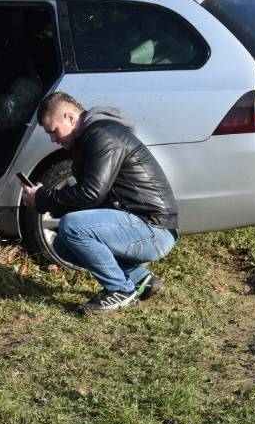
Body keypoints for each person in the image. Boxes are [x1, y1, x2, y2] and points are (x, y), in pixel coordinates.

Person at [22, 92, 178, 312]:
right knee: (63, 244)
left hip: (153, 231)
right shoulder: (90, 138)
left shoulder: (102, 135)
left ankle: (120, 290)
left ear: (69, 118)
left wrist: (42, 198)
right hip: (141, 225)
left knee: (72, 226)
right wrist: (44, 198)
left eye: (53, 131)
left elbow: (91, 193)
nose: (53, 139)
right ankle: (140, 279)